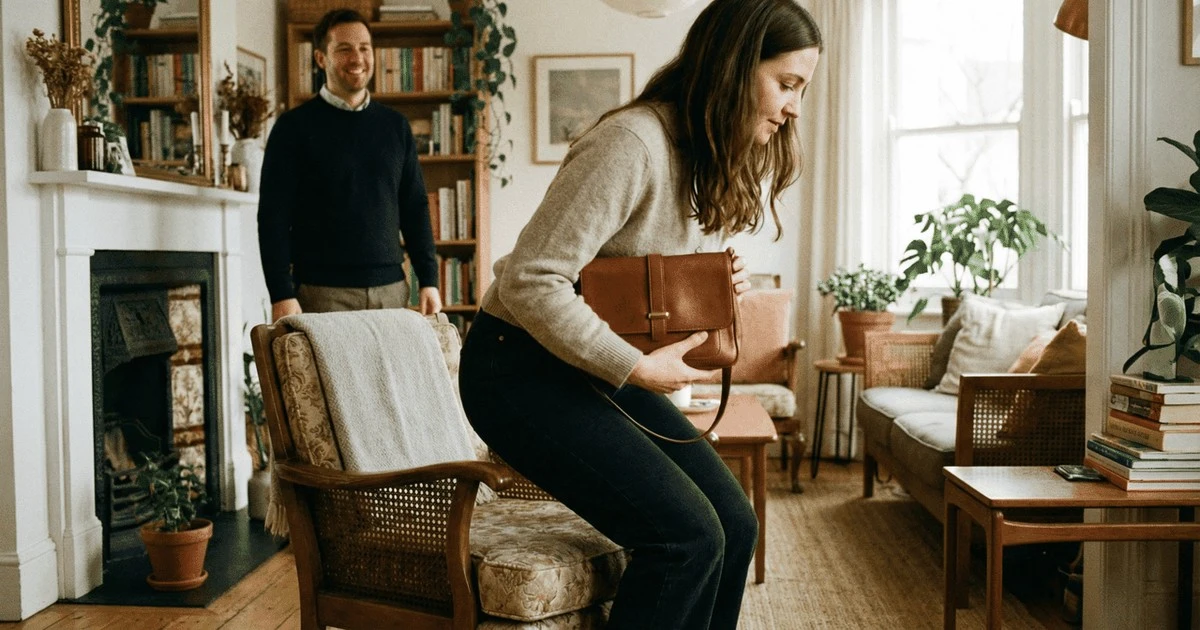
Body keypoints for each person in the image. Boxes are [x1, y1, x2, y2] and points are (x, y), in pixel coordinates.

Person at [457, 1, 822, 627]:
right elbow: (530, 280)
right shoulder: (630, 144)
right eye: (787, 84)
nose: (793, 107)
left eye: (801, 90)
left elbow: (625, 281)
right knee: (686, 539)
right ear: (736, 68)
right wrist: (634, 366)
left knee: (734, 522)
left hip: (581, 368)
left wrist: (707, 283)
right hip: (513, 370)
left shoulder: (696, 150)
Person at [257, 8, 441, 323]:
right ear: (320, 58)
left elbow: (415, 207)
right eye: (344, 49)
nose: (357, 58)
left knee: (390, 375)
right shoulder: (292, 128)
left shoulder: (395, 126)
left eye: (364, 48)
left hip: (392, 291)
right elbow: (273, 217)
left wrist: (429, 279)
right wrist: (281, 293)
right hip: (321, 294)